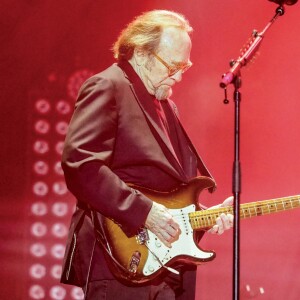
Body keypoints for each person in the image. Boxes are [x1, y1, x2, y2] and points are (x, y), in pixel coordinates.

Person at [60, 10, 233, 300]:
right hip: (120, 260)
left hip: (168, 266)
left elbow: (170, 193)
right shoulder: (107, 86)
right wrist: (145, 212)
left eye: (185, 66)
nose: (178, 76)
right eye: (172, 65)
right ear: (141, 54)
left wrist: (204, 218)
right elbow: (82, 166)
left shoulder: (166, 106)